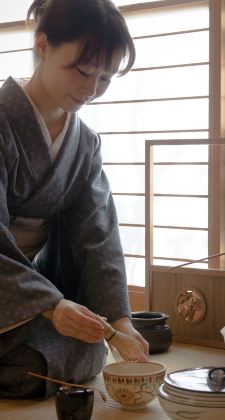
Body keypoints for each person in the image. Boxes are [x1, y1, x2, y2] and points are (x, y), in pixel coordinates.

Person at [0, 0, 148, 398]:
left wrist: (120, 322)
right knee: (57, 354)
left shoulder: (84, 144)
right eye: (81, 71)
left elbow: (97, 236)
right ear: (43, 45)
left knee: (88, 345)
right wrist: (48, 305)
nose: (90, 89)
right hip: (13, 288)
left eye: (105, 77)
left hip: (23, 294)